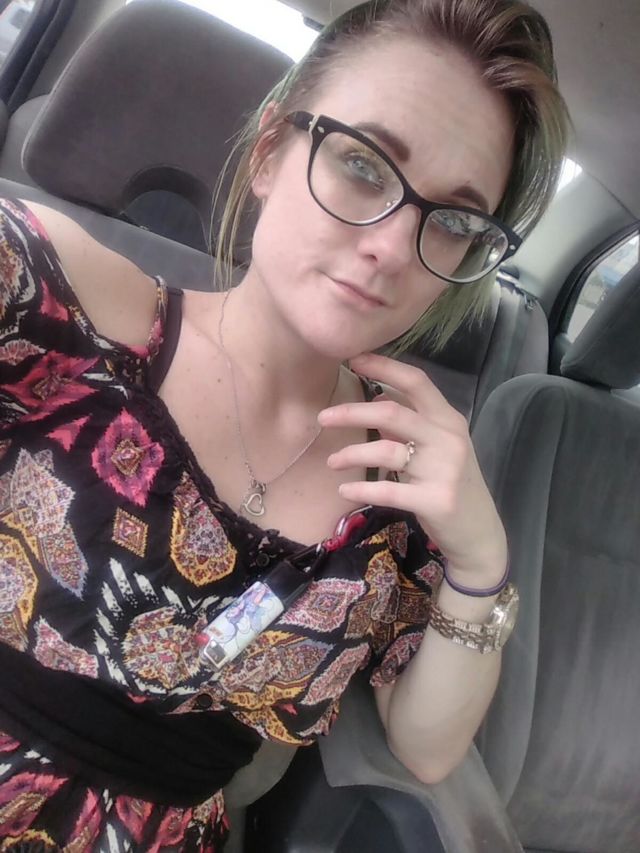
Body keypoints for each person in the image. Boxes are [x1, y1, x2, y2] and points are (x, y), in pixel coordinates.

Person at [0, 0, 569, 849]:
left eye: (454, 220)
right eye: (364, 164)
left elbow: (426, 746)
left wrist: (482, 562)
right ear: (271, 151)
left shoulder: (398, 492)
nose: (392, 246)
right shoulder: (57, 299)